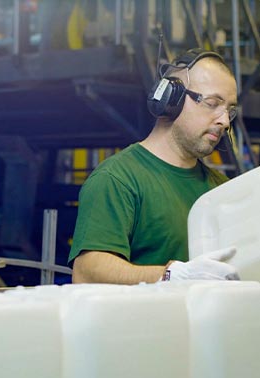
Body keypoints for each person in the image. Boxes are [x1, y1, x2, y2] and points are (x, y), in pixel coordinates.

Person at [68, 49, 240, 284]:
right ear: (171, 99)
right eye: (212, 103)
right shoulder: (118, 179)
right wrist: (170, 275)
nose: (224, 121)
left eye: (229, 110)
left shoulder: (223, 189)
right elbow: (87, 271)